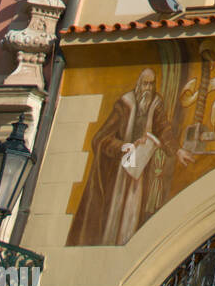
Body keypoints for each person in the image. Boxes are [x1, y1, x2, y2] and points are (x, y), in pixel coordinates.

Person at [68, 68, 194, 246]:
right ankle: (108, 244)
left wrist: (177, 150)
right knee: (115, 209)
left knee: (133, 210)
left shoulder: (155, 104)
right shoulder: (124, 105)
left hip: (140, 170)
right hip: (119, 169)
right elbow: (101, 138)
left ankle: (126, 244)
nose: (148, 89)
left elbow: (164, 129)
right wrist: (125, 147)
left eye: (151, 84)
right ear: (139, 84)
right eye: (145, 84)